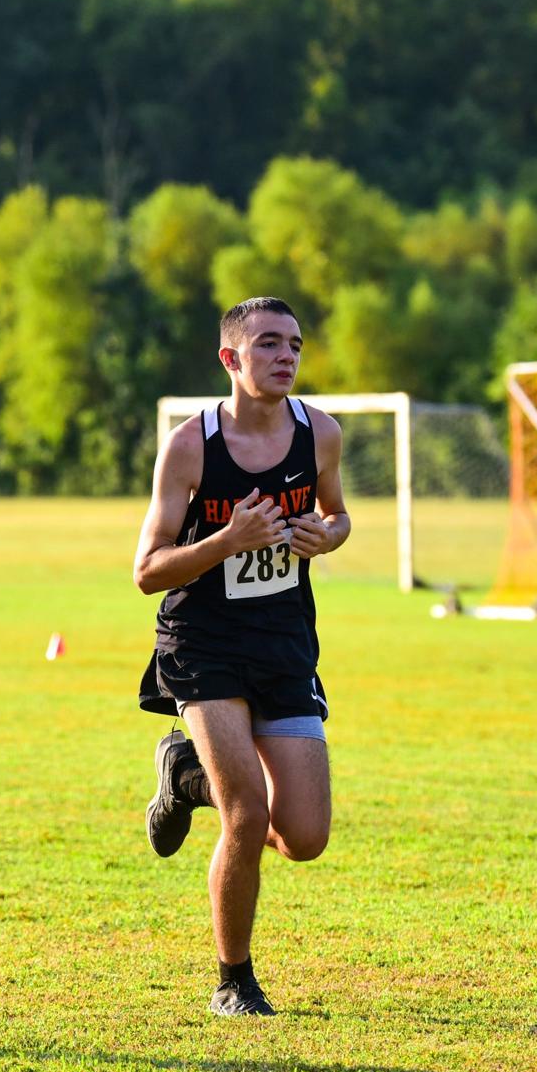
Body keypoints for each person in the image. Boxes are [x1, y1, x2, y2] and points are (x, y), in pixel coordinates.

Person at [132, 296, 352, 1016]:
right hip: (204, 645)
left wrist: (328, 535)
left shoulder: (320, 433)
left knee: (306, 836)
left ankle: (184, 777)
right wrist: (228, 540)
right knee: (247, 815)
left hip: (284, 644)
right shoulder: (191, 446)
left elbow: (337, 514)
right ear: (230, 358)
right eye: (268, 344)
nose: (286, 356)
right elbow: (147, 571)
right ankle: (235, 980)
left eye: (294, 344)